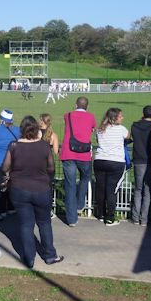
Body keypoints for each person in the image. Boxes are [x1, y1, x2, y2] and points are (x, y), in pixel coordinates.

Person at [2, 115, 63, 268]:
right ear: (36, 130)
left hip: (19, 190)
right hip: (41, 189)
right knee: (44, 223)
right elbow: (51, 167)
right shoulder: (43, 146)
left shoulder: (14, 145)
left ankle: (29, 258)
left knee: (25, 224)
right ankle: (49, 255)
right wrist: (46, 178)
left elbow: (5, 167)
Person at [60, 96, 96, 227]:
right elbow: (92, 128)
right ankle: (80, 203)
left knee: (70, 185)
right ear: (87, 106)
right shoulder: (91, 117)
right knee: (86, 177)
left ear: (76, 105)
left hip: (69, 153)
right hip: (84, 154)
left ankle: (72, 219)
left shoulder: (67, 115)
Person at [94, 108, 129, 226]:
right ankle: (110, 217)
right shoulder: (122, 129)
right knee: (111, 190)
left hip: (100, 160)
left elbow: (97, 140)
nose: (122, 118)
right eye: (120, 116)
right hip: (115, 161)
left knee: (101, 188)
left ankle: (101, 213)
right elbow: (128, 138)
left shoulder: (100, 129)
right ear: (114, 118)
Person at [129, 105, 151, 226]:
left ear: (143, 113)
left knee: (138, 189)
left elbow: (130, 138)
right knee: (148, 190)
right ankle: (144, 219)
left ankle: (135, 217)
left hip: (138, 160)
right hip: (150, 160)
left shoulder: (134, 126)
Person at [0, 109, 21, 219]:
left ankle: (0, 211)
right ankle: (12, 208)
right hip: (13, 163)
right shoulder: (18, 130)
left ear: (2, 120)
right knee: (12, 186)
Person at [40, 113, 59, 217]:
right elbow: (56, 151)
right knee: (48, 187)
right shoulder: (52, 134)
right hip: (49, 163)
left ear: (41, 121)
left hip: (37, 163)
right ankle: (48, 209)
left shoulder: (35, 133)